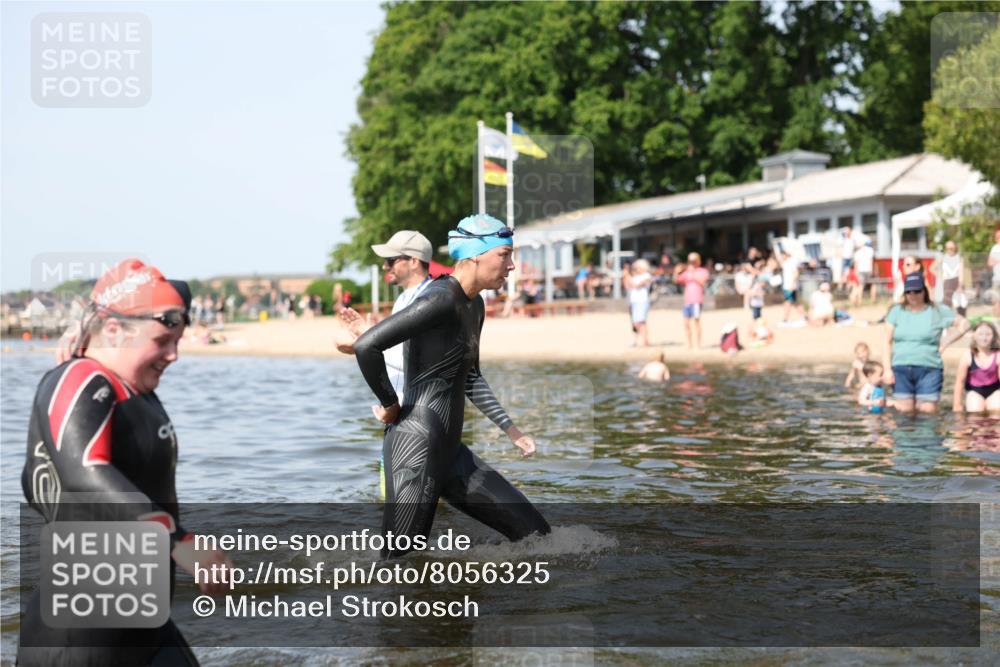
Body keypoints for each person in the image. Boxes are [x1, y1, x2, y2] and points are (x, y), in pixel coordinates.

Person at [19, 259, 229, 667]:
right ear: (114, 331)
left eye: (178, 340)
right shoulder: (80, 379)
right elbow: (83, 471)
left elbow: (175, 290)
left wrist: (93, 320)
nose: (173, 355)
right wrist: (179, 542)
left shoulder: (129, 386)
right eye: (162, 341)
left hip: (145, 623)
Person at [353, 215, 550, 559]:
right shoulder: (439, 299)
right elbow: (366, 347)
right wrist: (390, 403)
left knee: (538, 535)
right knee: (399, 565)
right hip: (414, 447)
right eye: (504, 255)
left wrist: (512, 430)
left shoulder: (474, 304)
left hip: (450, 453)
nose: (512, 265)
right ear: (475, 255)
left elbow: (470, 376)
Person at [883, 272, 966, 413]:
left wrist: (946, 342)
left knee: (928, 414)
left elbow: (965, 324)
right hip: (901, 368)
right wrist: (886, 369)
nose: (912, 295)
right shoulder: (896, 311)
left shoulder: (937, 310)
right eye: (909, 291)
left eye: (917, 291)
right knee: (904, 414)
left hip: (930, 368)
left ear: (924, 290)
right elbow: (886, 341)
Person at [952, 321, 1000, 413]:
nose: (984, 338)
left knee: (996, 411)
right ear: (974, 335)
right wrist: (957, 405)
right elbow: (960, 382)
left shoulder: (998, 355)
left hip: (994, 391)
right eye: (980, 334)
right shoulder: (967, 355)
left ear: (993, 336)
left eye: (988, 334)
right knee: (975, 411)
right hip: (975, 392)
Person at [673, 253, 709, 349]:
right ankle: (689, 344)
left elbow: (702, 282)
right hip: (687, 301)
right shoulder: (687, 272)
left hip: (697, 300)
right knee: (686, 323)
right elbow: (676, 280)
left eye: (693, 261)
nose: (691, 263)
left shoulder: (702, 271)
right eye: (690, 261)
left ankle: (698, 344)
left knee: (696, 323)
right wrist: (676, 272)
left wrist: (693, 273)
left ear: (698, 261)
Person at [626, 259, 653, 347]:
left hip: (642, 301)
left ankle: (645, 342)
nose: (636, 269)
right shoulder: (635, 276)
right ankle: (639, 341)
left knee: (641, 322)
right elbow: (628, 285)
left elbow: (636, 285)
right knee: (636, 322)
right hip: (634, 301)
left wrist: (632, 281)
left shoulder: (646, 275)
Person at [936, 240, 965, 312]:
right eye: (948, 248)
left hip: (957, 280)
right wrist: (940, 276)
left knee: (960, 304)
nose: (950, 250)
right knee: (946, 303)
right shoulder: (943, 257)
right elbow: (932, 268)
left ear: (955, 248)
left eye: (951, 248)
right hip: (947, 282)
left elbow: (961, 273)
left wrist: (960, 285)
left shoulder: (959, 258)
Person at [778, 249, 805, 323]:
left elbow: (795, 273)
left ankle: (785, 319)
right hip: (788, 286)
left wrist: (793, 284)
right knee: (795, 302)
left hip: (790, 286)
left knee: (787, 302)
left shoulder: (790, 262)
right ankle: (804, 317)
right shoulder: (786, 263)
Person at [851, 239, 875, 306]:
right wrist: (871, 269)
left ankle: (859, 301)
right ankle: (873, 300)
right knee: (872, 285)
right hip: (868, 270)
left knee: (860, 286)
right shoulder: (870, 250)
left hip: (860, 271)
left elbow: (856, 264)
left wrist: (856, 272)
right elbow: (871, 260)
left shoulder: (857, 253)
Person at [989, 228, 1000, 318]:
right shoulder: (994, 248)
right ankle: (996, 320)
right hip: (997, 279)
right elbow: (990, 262)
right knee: (995, 300)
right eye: (997, 237)